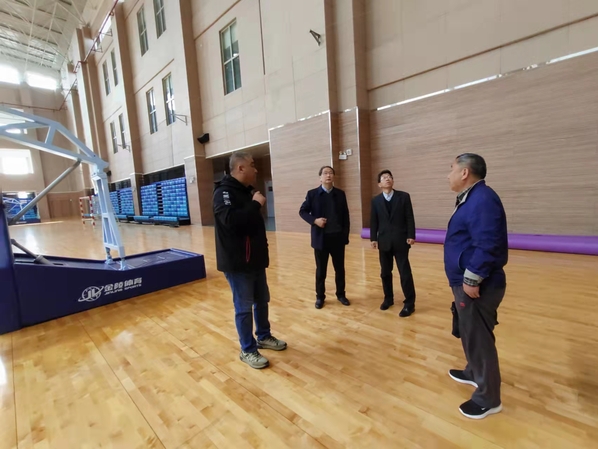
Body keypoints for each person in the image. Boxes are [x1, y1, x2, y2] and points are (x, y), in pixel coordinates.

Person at [444, 153, 508, 419]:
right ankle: (473, 372)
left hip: (477, 285)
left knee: (480, 339)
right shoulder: (472, 198)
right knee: (470, 332)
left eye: (451, 169)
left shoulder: (482, 199)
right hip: (466, 280)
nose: (448, 175)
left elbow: (488, 243)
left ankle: (488, 398)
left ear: (464, 173)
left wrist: (472, 278)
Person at [213, 151, 287, 369]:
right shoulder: (223, 192)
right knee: (244, 307)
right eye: (252, 165)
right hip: (238, 263)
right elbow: (230, 221)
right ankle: (247, 349)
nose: (256, 169)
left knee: (261, 300)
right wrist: (255, 205)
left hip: (255, 260)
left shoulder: (247, 191)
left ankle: (263, 336)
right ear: (240, 168)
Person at [299, 166, 350, 309]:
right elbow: (302, 211)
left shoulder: (340, 194)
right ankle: (320, 297)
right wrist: (315, 221)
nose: (328, 175)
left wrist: (345, 236)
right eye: (325, 173)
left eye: (331, 173)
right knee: (321, 270)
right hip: (321, 239)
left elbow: (346, 216)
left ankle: (341, 294)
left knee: (340, 269)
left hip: (337, 238)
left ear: (334, 177)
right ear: (320, 178)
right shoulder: (312, 194)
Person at [370, 169, 416, 317]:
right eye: (384, 177)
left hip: (401, 240)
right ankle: (388, 298)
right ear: (379, 184)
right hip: (384, 241)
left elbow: (409, 217)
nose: (387, 179)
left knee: (405, 273)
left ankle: (409, 303)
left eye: (389, 177)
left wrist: (411, 235)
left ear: (393, 181)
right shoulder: (376, 201)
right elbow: (374, 221)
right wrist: (373, 238)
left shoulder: (404, 197)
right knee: (385, 272)